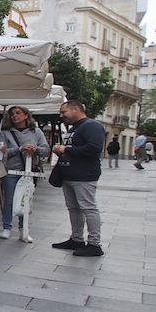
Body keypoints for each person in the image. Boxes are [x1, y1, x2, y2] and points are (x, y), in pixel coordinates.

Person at [52, 100, 106, 257]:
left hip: (84, 174)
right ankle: (76, 239)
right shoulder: (75, 127)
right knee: (74, 208)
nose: (62, 116)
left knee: (88, 208)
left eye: (64, 112)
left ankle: (95, 244)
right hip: (70, 174)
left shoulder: (91, 125)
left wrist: (66, 149)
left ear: (76, 109)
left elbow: (94, 148)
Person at [0, 105, 50, 240]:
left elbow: (46, 150)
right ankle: (6, 227)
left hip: (29, 170)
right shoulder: (5, 132)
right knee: (9, 199)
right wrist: (19, 149)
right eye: (12, 114)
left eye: (18, 113)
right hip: (11, 170)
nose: (15, 116)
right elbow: (1, 152)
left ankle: (23, 228)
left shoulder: (36, 132)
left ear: (26, 115)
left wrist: (35, 149)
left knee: (25, 200)